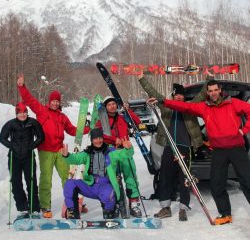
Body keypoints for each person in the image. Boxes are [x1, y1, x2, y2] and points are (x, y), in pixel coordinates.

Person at [150, 78, 250, 225]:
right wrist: (163, 101)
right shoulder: (203, 107)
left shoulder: (232, 103)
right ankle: (225, 214)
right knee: (216, 184)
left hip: (236, 149)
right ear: (207, 93)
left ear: (220, 90)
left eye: (216, 90)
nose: (214, 93)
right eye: (210, 91)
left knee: (247, 181)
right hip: (218, 151)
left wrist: (244, 130)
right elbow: (183, 107)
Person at [17, 74, 90, 218]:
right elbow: (29, 100)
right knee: (46, 178)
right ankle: (45, 206)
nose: (55, 103)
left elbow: (72, 130)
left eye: (57, 101)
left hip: (59, 150)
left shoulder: (62, 117)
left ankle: (72, 203)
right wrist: (22, 86)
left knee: (67, 177)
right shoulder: (42, 111)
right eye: (53, 101)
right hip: (45, 150)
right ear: (49, 102)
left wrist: (87, 129)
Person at [138, 72, 207, 221]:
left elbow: (202, 95)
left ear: (184, 97)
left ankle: (183, 208)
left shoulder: (190, 107)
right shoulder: (166, 107)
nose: (179, 97)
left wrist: (210, 79)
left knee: (185, 179)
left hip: (185, 147)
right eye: (176, 95)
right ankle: (165, 207)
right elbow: (153, 93)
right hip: (169, 147)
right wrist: (141, 78)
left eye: (181, 95)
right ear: (173, 95)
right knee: (165, 177)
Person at [60, 128, 134, 219]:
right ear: (92, 140)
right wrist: (66, 155)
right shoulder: (87, 153)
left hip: (105, 186)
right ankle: (72, 212)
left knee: (109, 196)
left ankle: (109, 210)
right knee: (69, 184)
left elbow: (124, 154)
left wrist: (128, 149)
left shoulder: (111, 152)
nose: (98, 141)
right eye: (95, 138)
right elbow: (75, 159)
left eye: (100, 138)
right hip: (91, 185)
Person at [95, 96, 143, 217]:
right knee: (113, 181)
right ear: (105, 107)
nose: (112, 106)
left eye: (113, 104)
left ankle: (133, 204)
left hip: (125, 151)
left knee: (130, 177)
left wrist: (128, 111)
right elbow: (98, 136)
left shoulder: (122, 118)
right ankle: (115, 204)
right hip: (111, 153)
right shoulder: (101, 121)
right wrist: (113, 139)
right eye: (109, 104)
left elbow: (137, 122)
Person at [0, 102, 45, 219]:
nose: (22, 115)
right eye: (20, 113)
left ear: (27, 112)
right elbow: (1, 138)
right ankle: (23, 208)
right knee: (16, 183)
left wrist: (32, 146)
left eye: (24, 112)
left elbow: (41, 137)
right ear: (16, 114)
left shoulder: (33, 123)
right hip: (14, 157)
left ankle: (34, 209)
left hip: (28, 156)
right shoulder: (10, 124)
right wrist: (11, 146)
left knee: (31, 182)